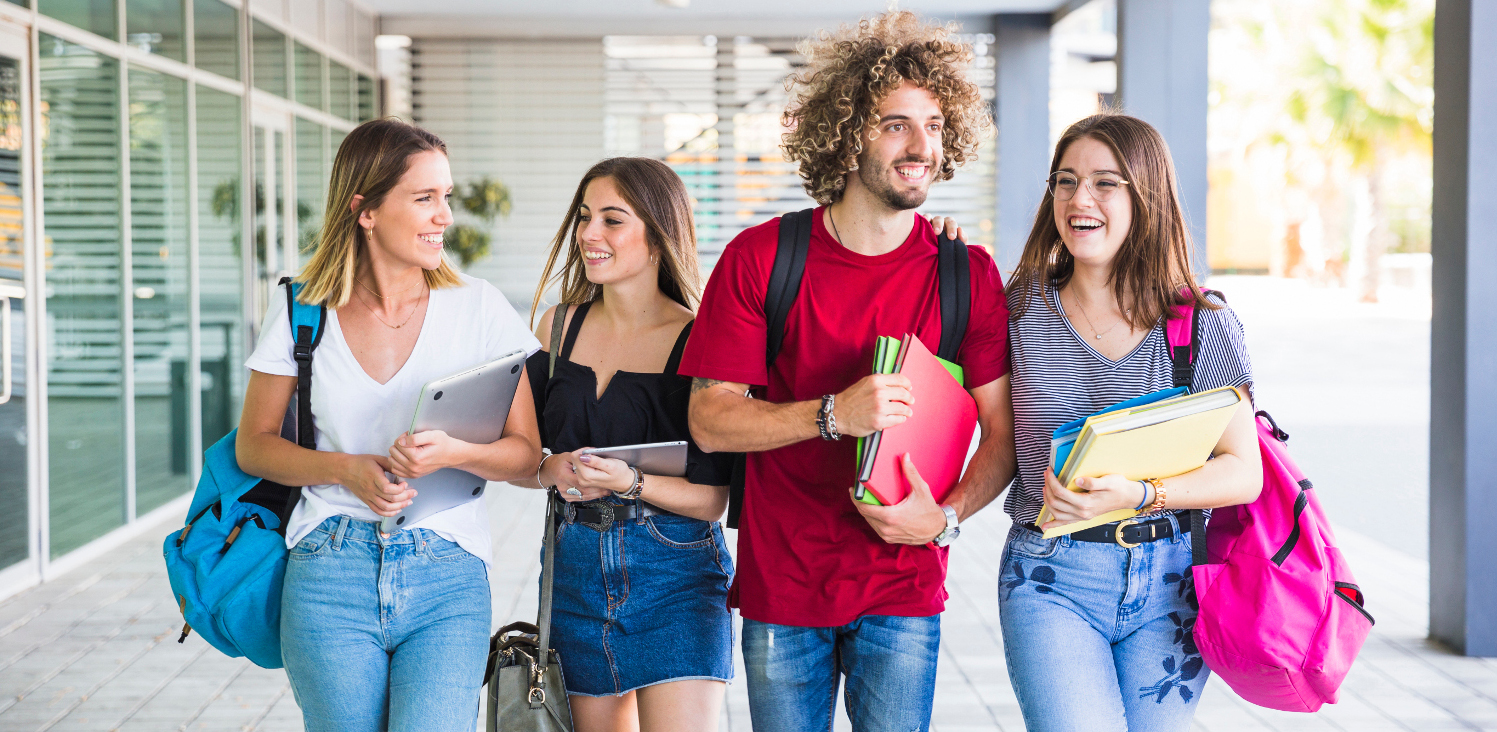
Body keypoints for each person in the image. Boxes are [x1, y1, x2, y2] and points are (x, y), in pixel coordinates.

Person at [679, 12, 1016, 732]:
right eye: (895, 124)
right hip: (785, 588)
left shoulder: (967, 274)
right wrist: (831, 413)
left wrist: (946, 518)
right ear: (845, 132)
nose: (920, 144)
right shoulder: (762, 258)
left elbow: (1003, 436)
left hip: (904, 586)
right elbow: (708, 419)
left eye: (932, 124)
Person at [236, 118, 543, 732]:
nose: (445, 217)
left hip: (447, 571)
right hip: (329, 567)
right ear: (366, 210)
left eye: (446, 198)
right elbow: (254, 446)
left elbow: (528, 457)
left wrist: (453, 450)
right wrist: (344, 469)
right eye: (424, 198)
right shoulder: (301, 310)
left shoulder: (479, 309)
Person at [998, 111, 1263, 731]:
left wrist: (1143, 495)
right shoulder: (1013, 311)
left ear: (1146, 197)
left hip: (1171, 583)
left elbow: (1242, 472)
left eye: (1105, 182)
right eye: (1064, 181)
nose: (1078, 199)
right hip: (1049, 576)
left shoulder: (1201, 324)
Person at [512, 157, 737, 732]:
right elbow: (521, 456)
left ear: (658, 232)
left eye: (613, 220)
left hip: (676, 574)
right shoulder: (556, 329)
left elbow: (714, 500)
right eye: (585, 218)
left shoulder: (699, 340)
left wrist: (632, 482)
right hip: (575, 570)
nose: (589, 234)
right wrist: (548, 468)